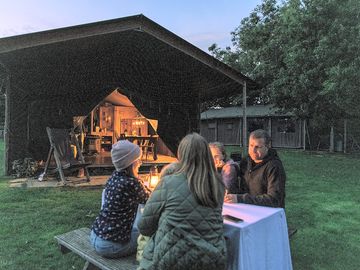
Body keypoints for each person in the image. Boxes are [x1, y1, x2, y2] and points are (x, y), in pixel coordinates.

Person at [137, 133, 227, 270]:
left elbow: (144, 226)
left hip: (172, 260)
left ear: (181, 154)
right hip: (212, 259)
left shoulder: (168, 182)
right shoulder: (218, 185)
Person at [90, 140, 150, 258]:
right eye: (139, 160)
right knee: (147, 238)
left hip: (95, 236)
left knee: (137, 232)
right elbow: (151, 200)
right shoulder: (132, 183)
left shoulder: (114, 177)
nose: (140, 163)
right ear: (131, 163)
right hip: (109, 246)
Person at [225, 129, 286, 208]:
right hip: (248, 210)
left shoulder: (274, 166)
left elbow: (274, 199)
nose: (253, 150)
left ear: (267, 146)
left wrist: (240, 198)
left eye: (258, 147)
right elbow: (240, 188)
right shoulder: (246, 161)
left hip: (269, 213)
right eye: (251, 145)